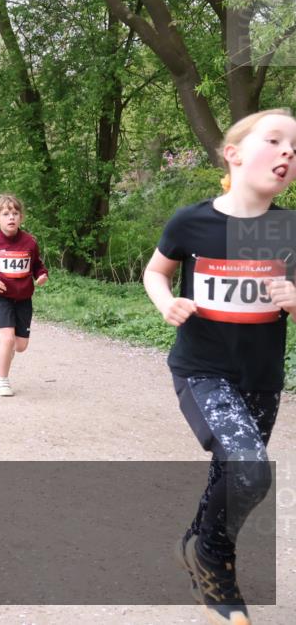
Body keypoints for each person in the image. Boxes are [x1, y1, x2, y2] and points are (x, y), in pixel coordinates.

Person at [142, 108, 296, 625]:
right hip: (202, 370)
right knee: (250, 470)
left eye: (294, 148)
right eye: (274, 140)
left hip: (262, 379)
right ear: (232, 154)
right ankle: (214, 561)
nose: (287, 153)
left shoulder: (289, 229)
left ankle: (200, 546)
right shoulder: (193, 221)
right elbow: (156, 271)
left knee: (234, 472)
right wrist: (166, 302)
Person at [0, 194, 48, 397]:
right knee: (7, 339)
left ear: (21, 218)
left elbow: (37, 266)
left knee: (20, 346)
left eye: (15, 213)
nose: (11, 217)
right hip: (3, 299)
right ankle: (2, 381)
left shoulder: (30, 243)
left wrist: (41, 275)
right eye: (6, 214)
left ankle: (7, 354)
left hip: (24, 300)